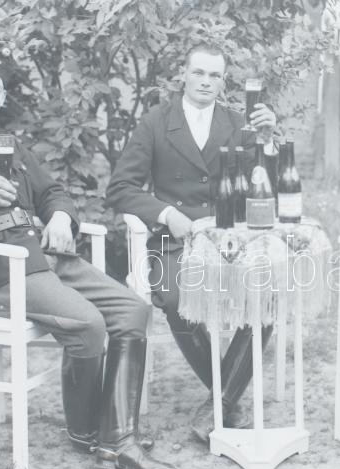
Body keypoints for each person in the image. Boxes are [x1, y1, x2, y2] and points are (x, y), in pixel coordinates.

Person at [0, 42, 176, 469]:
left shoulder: (11, 146)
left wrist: (62, 215)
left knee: (134, 309)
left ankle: (114, 435)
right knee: (89, 323)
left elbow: (52, 192)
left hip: (43, 258)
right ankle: (96, 435)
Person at [105, 45, 278, 442]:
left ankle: (220, 403)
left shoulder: (239, 123)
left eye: (214, 75)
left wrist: (267, 141)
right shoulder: (155, 122)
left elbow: (264, 185)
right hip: (176, 240)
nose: (205, 82)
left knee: (267, 294)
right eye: (198, 72)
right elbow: (120, 188)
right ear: (183, 74)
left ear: (223, 81)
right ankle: (227, 398)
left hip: (230, 239)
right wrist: (167, 214)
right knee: (173, 298)